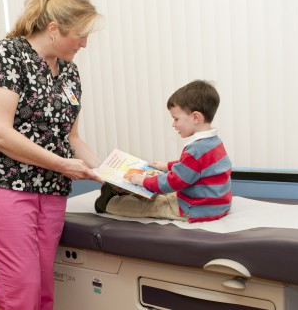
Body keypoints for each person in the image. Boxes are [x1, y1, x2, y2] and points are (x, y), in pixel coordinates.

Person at [0, 0, 103, 310]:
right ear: (54, 29)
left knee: (43, 290)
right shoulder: (7, 56)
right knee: (21, 292)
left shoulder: (69, 71)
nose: (84, 43)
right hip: (4, 186)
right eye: (80, 35)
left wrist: (108, 172)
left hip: (52, 190)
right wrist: (63, 165)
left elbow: (71, 138)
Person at [95, 80, 232, 222]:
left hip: (198, 209)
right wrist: (167, 166)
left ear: (195, 117)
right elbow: (194, 167)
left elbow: (174, 182)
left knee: (152, 205)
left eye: (176, 119)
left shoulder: (196, 149)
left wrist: (144, 181)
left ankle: (109, 203)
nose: (173, 124)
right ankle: (126, 189)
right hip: (216, 204)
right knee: (163, 192)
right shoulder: (213, 141)